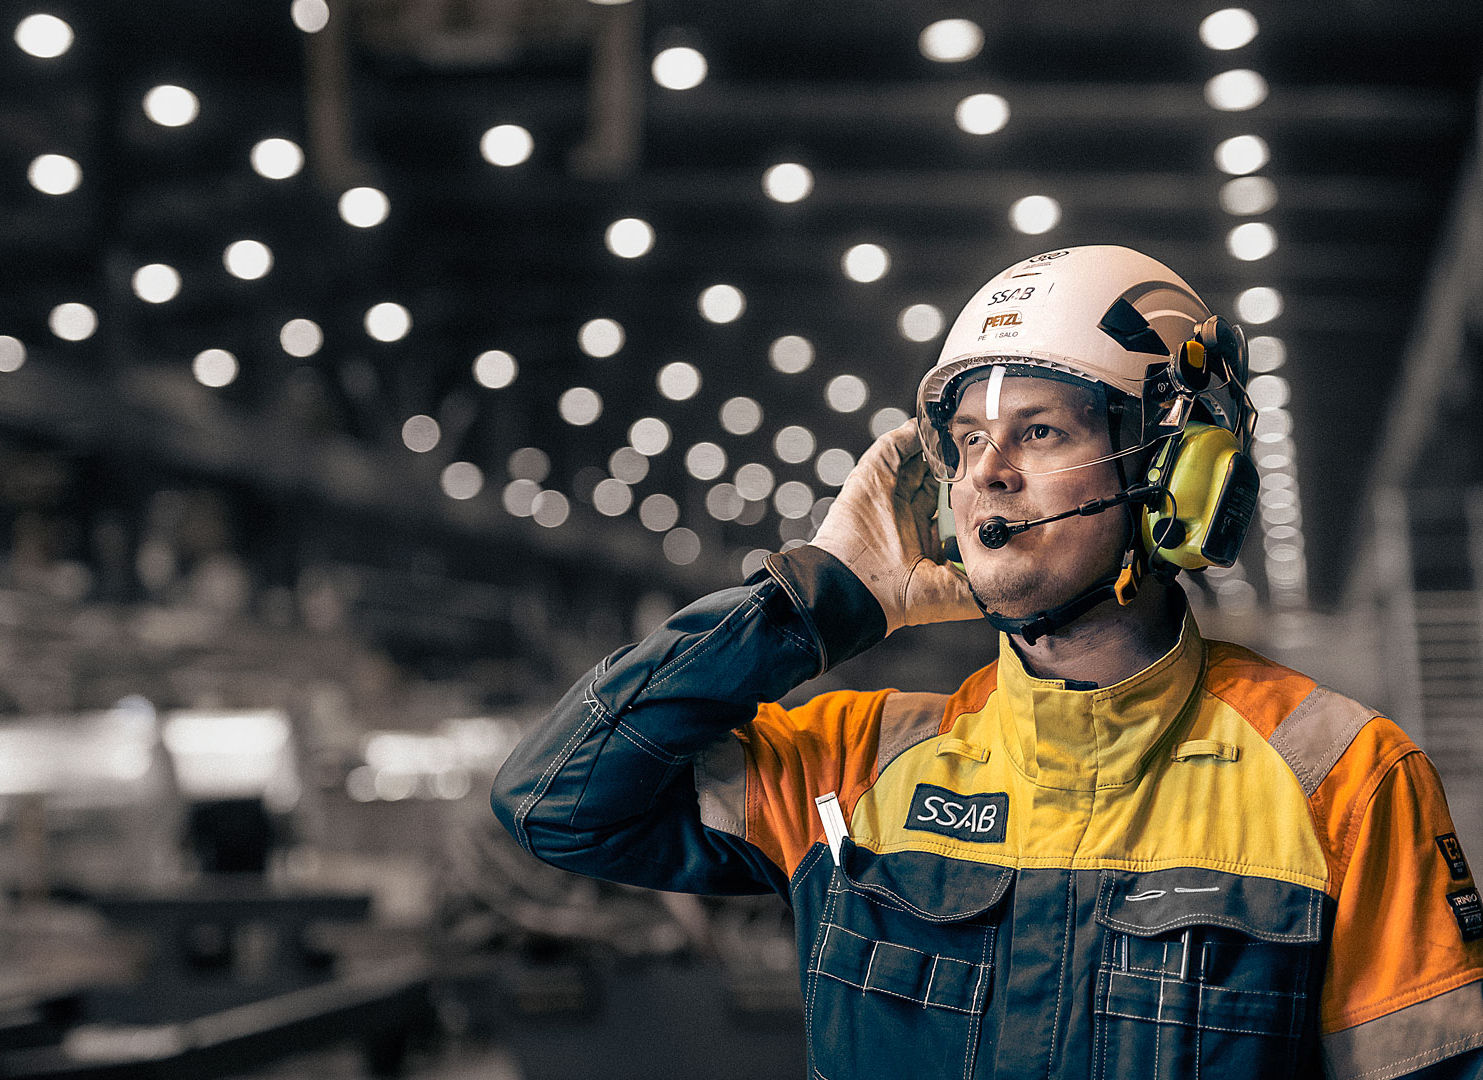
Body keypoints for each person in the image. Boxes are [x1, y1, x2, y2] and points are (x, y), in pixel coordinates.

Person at [493, 246, 1483, 1079]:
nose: (987, 475)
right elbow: (556, 802)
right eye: (968, 441)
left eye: (1039, 431)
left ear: (1175, 467)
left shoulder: (1341, 782)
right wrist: (812, 604)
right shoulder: (859, 767)